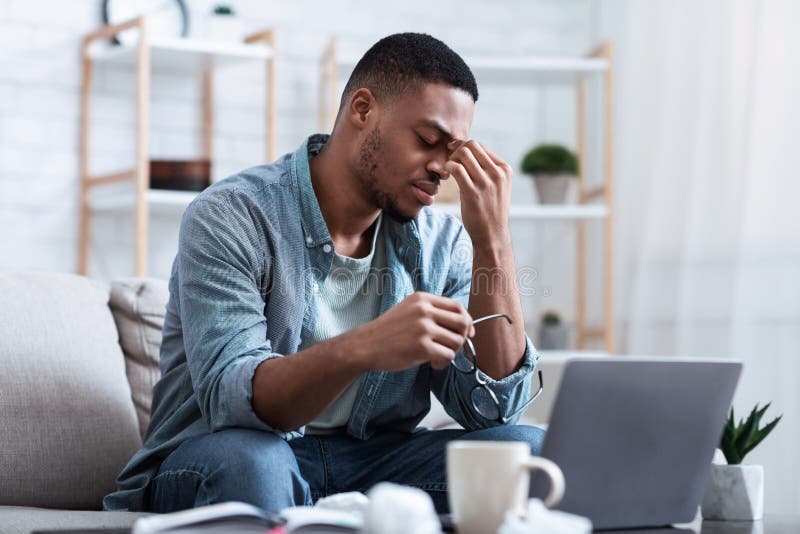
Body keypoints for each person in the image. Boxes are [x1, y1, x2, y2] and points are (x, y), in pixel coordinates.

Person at [103, 32, 544, 514]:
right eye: (427, 141)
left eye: (453, 151)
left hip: (376, 460)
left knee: (530, 451)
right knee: (256, 464)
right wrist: (366, 346)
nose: (442, 168)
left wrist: (493, 238)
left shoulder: (443, 243)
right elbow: (235, 402)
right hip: (230, 451)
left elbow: (493, 411)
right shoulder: (232, 215)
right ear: (362, 110)